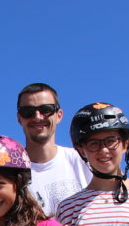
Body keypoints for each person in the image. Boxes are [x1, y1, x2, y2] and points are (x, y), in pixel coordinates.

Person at [15, 83, 92, 216]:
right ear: (19, 118)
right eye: (28, 112)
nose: (38, 117)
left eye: (46, 109)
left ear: (59, 115)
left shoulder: (84, 161)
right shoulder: (9, 170)